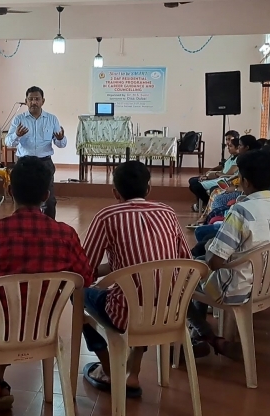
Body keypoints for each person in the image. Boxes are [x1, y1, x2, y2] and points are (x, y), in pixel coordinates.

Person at [0, 156, 93, 411]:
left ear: (10, 191)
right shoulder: (65, 235)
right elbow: (85, 278)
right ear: (46, 195)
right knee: (13, 310)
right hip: (42, 329)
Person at [80, 160, 191, 397]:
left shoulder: (107, 216)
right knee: (149, 289)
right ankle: (133, 371)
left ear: (115, 193)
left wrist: (97, 276)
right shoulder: (168, 212)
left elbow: (83, 269)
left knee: (76, 292)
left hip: (126, 315)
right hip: (171, 311)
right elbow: (186, 260)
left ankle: (108, 367)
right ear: (148, 188)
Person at [187, 149, 270, 357]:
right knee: (198, 264)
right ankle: (200, 335)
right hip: (267, 285)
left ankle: (203, 335)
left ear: (245, 181)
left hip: (236, 289)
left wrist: (210, 246)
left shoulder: (241, 211)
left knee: (183, 277)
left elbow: (215, 262)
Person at [4, 86, 66, 219]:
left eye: (37, 99)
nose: (34, 102)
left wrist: (61, 138)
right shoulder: (18, 119)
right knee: (21, 199)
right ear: (26, 101)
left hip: (45, 163)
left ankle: (49, 227)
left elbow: (61, 144)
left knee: (49, 201)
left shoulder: (52, 119)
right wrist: (16, 135)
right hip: (24, 163)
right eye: (30, 99)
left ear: (43, 101)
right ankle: (21, 225)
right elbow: (8, 142)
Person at [188, 138, 240, 210]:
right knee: (193, 180)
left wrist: (215, 174)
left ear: (237, 147)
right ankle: (202, 204)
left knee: (196, 186)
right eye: (228, 146)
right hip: (220, 177)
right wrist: (208, 176)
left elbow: (228, 174)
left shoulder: (238, 159)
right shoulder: (231, 156)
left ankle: (206, 204)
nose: (228, 148)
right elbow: (223, 169)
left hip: (225, 180)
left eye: (230, 146)